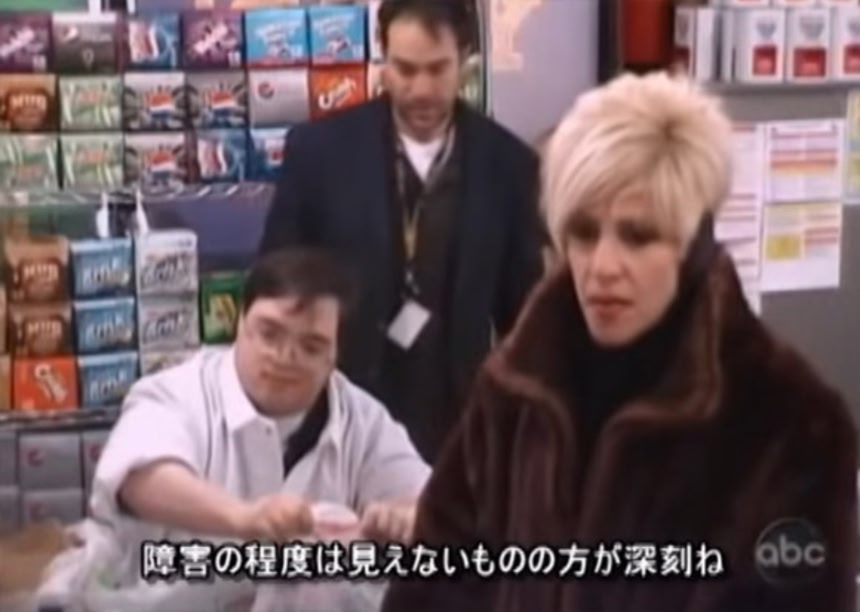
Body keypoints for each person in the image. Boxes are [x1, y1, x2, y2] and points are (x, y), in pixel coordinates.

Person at [382, 72, 858, 612]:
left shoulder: (790, 421)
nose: (603, 267)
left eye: (637, 236)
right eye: (584, 234)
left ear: (692, 246)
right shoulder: (515, 389)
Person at [258, 0, 542, 462]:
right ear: (382, 59)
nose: (421, 89)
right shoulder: (318, 153)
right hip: (335, 417)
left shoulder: (510, 165)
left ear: (466, 60)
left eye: (438, 69)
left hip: (459, 428)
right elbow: (274, 283)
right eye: (405, 69)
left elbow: (525, 314)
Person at [91, 248, 430, 608]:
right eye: (269, 334)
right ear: (240, 323)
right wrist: (244, 517)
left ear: (335, 356)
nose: (284, 357)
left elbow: (429, 497)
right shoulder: (177, 394)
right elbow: (140, 478)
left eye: (310, 347)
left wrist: (405, 517)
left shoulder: (362, 420)